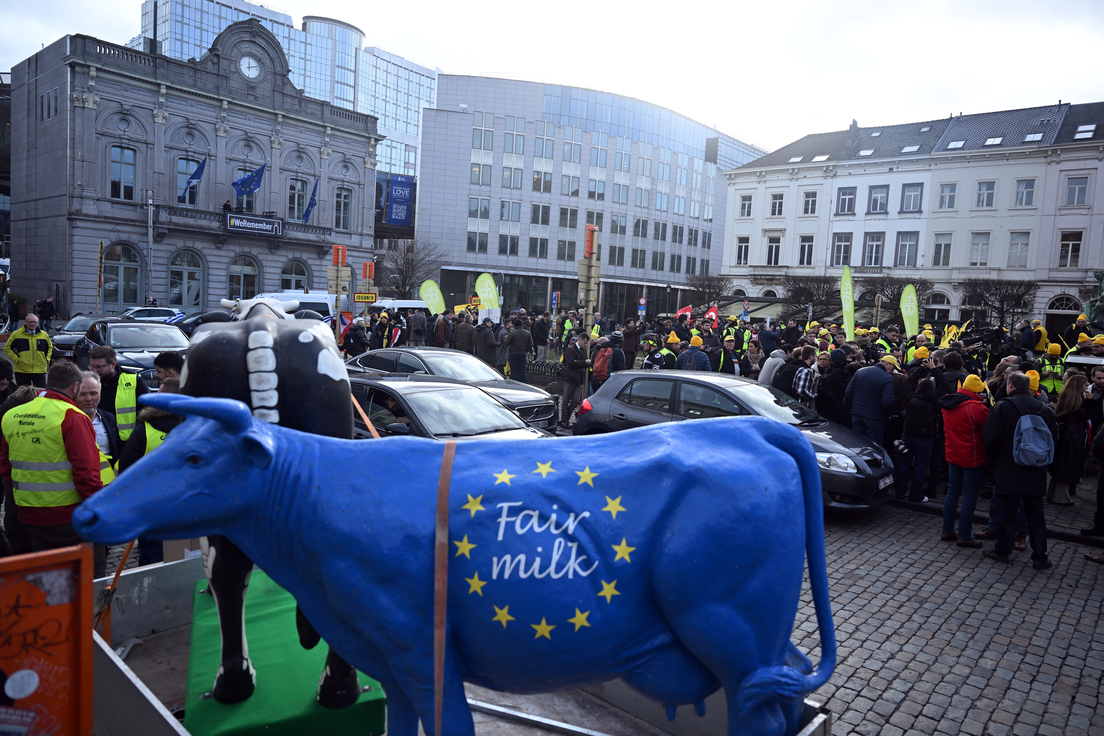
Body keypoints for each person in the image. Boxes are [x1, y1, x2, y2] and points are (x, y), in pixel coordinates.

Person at [0, 361, 105, 576]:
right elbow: (86, 475)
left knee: (49, 575)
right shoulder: (72, 417)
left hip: (29, 515)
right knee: (88, 575)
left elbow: (5, 467)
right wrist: (102, 509)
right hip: (68, 517)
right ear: (75, 387)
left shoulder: (13, 415)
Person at [980, 372, 1057, 569]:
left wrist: (995, 461)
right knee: (1036, 515)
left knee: (1008, 513)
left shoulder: (1004, 407)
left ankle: (1002, 551)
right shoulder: (1045, 409)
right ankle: (1040, 557)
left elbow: (989, 438)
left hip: (1009, 467)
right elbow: (1054, 437)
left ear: (1011, 386)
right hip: (1036, 468)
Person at [940, 374, 990, 547]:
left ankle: (947, 530)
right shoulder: (976, 408)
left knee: (953, 492)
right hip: (972, 457)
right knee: (969, 495)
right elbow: (989, 427)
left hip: (953, 454)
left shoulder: (948, 403)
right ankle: (964, 535)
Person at [89, 346, 150, 444]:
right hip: (97, 439)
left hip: (127, 442)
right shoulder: (88, 383)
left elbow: (146, 412)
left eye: (99, 367)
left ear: (113, 365)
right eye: (92, 366)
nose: (94, 370)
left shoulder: (134, 381)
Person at [1046, 373, 1090, 506]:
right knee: (1067, 465)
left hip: (1066, 436)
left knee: (1062, 465)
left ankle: (1053, 493)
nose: (1087, 387)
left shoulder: (1067, 397)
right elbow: (1086, 415)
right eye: (1085, 385)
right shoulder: (1078, 402)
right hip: (1073, 437)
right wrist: (1090, 402)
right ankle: (1061, 496)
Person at [897, 378, 937, 502]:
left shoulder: (911, 400)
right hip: (926, 438)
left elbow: (909, 382)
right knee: (920, 467)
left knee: (904, 463)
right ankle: (916, 495)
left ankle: (900, 491)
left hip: (909, 435)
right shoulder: (933, 403)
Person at [844, 355, 898, 446]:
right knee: (873, 448)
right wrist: (888, 415)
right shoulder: (887, 378)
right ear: (888, 363)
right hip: (875, 418)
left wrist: (855, 408)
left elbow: (848, 393)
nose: (893, 371)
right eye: (893, 368)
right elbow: (887, 401)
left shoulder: (860, 371)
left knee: (858, 445)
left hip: (857, 415)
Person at [4, 314, 52, 387]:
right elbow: (7, 348)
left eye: (35, 322)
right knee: (24, 394)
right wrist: (17, 359)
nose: (32, 324)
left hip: (39, 369)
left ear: (38, 323)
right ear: (25, 322)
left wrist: (47, 359)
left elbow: (50, 348)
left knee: (40, 393)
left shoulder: (44, 335)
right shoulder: (16, 334)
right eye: (30, 322)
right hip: (22, 370)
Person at [559, 333, 591, 429]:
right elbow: (570, 363)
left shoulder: (583, 350)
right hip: (570, 377)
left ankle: (565, 418)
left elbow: (584, 362)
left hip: (579, 379)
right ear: (580, 340)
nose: (585, 345)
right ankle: (564, 420)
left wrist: (586, 363)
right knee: (566, 398)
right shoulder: (571, 349)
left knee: (576, 400)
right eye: (584, 342)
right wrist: (584, 362)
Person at [503, 318, 533, 384]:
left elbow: (507, 343)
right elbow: (530, 344)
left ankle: (515, 384)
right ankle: (524, 384)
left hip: (513, 354)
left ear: (515, 326)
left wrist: (506, 339)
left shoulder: (512, 333)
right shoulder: (527, 333)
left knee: (514, 370)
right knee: (523, 370)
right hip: (523, 353)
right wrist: (525, 350)